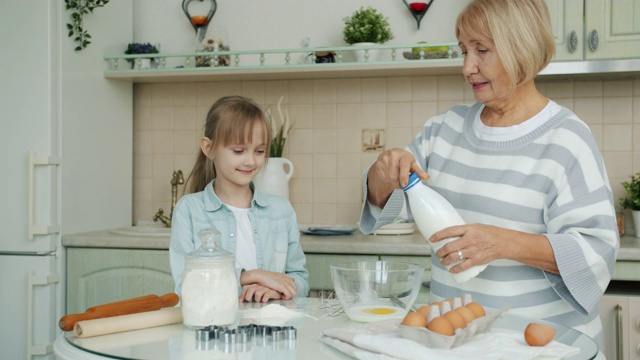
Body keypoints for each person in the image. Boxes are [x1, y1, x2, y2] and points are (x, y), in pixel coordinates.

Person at [359, 0, 618, 353]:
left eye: (482, 50)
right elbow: (387, 203)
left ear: (521, 49)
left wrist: (501, 243)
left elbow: (596, 251)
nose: (468, 67)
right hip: (460, 345)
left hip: (544, 348)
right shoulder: (443, 130)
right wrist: (382, 171)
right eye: (464, 50)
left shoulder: (568, 140)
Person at [170, 95, 309, 303]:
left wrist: (277, 291)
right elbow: (186, 288)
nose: (251, 161)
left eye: (260, 151)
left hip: (271, 331)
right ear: (209, 148)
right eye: (238, 151)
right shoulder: (189, 211)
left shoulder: (281, 211)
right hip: (213, 330)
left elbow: (301, 279)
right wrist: (250, 276)